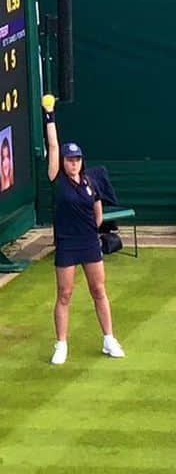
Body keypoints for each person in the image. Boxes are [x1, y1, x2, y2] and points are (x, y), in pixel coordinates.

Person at [42, 95, 124, 366]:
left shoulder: (90, 181)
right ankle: (61, 344)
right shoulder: (57, 179)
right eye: (69, 159)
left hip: (89, 241)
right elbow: (52, 144)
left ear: (81, 161)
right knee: (64, 294)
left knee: (98, 290)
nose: (73, 163)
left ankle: (109, 339)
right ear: (63, 162)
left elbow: (97, 209)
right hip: (66, 243)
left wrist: (94, 228)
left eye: (76, 159)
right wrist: (49, 114)